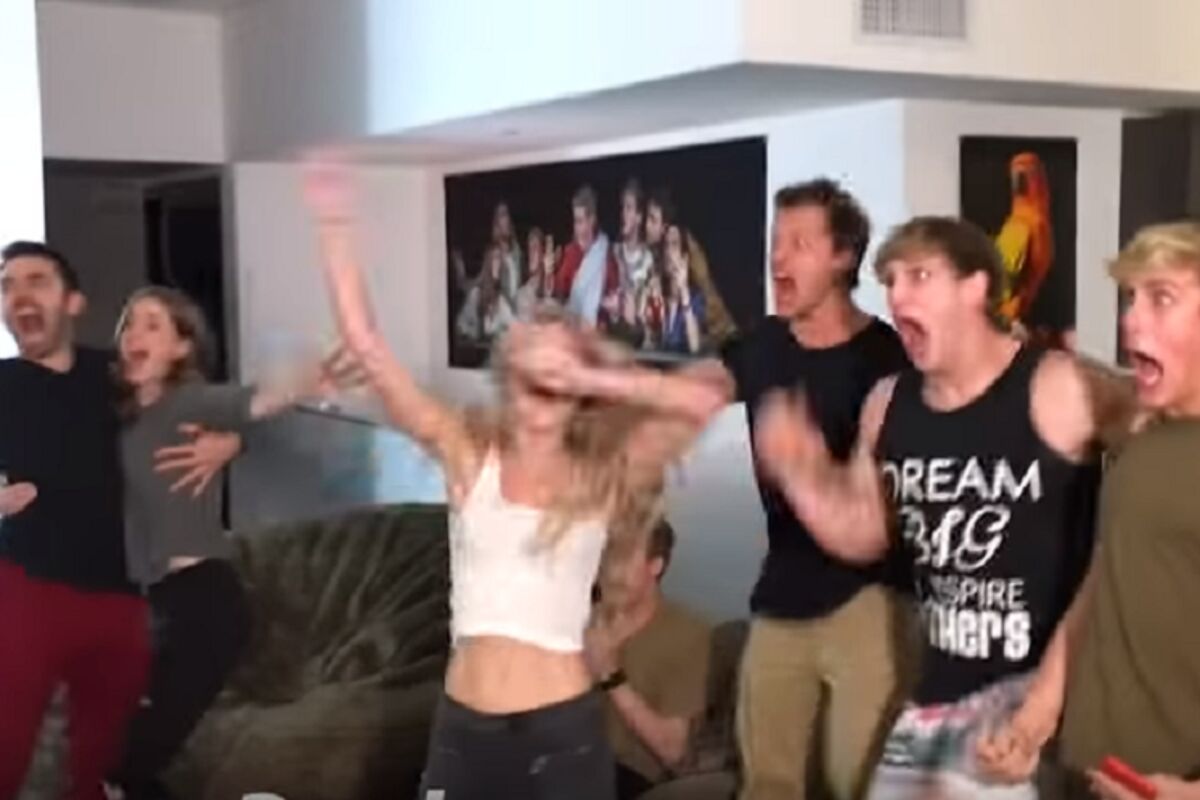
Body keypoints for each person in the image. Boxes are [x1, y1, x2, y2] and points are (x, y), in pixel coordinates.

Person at [302, 160, 725, 800]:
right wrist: (335, 224)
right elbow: (367, 347)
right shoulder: (471, 458)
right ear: (509, 375)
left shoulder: (600, 475)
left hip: (560, 737)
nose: (546, 377)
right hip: (463, 731)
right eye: (533, 360)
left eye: (560, 367)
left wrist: (596, 374)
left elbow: (706, 394)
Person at [755, 216, 1113, 799]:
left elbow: (1158, 432)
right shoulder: (887, 403)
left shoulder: (1057, 385)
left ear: (976, 287)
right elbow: (863, 533)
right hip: (939, 695)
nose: (898, 296)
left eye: (919, 276)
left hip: (1045, 696)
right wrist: (800, 473)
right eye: (891, 281)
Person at [696, 178, 911, 800]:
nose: (777, 258)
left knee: (859, 782)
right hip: (780, 598)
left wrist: (802, 465)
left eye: (798, 243)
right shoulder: (763, 344)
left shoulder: (888, 361)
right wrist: (599, 382)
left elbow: (879, 518)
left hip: (871, 603)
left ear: (843, 257)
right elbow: (690, 388)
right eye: (775, 241)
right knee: (766, 784)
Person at [0, 242, 236, 800]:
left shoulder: (115, 378)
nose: (20, 295)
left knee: (104, 766)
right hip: (26, 591)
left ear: (73, 302)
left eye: (37, 281)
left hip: (123, 599)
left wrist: (230, 442)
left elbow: (201, 402)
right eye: (8, 286)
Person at [107, 286, 353, 800]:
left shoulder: (188, 402)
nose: (134, 334)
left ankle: (117, 780)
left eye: (153, 325)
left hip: (203, 592)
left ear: (182, 347)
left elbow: (253, 401)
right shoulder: (123, 417)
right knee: (142, 718)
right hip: (161, 592)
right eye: (129, 323)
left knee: (138, 743)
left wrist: (308, 383)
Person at [1058, 222, 1200, 799]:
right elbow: (1107, 579)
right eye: (1130, 298)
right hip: (1091, 771)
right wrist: (1038, 712)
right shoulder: (1148, 432)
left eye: (1160, 298)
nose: (1131, 320)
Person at [584, 519, 711, 799]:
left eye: (624, 557)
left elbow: (674, 752)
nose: (611, 569)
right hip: (558, 758)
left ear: (655, 566)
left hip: (628, 775)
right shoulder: (577, 618)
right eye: (607, 555)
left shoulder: (687, 634)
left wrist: (610, 674)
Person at [646, 188, 735, 344]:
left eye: (653, 220)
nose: (646, 225)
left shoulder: (687, 250)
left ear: (665, 226)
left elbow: (707, 293)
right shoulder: (656, 256)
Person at [553, 184, 620, 326]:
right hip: (572, 330)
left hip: (597, 333)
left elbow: (614, 300)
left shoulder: (605, 254)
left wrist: (609, 306)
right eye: (575, 221)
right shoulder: (570, 253)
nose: (576, 228)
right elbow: (559, 293)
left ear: (592, 220)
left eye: (580, 221)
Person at [661, 224, 706, 355]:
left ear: (685, 257)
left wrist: (684, 291)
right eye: (666, 244)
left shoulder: (695, 298)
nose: (668, 250)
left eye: (674, 244)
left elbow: (694, 346)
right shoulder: (659, 294)